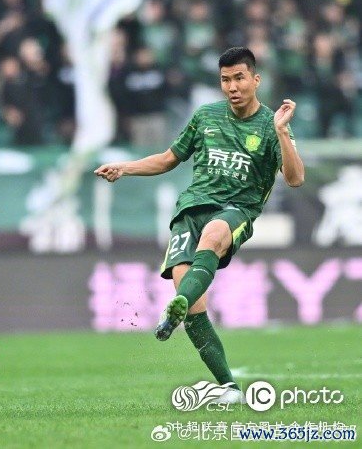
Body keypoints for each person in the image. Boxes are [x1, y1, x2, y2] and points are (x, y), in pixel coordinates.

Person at [94, 47, 305, 403]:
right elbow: (168, 159)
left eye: (239, 78)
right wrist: (124, 168)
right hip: (190, 209)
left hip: (237, 209)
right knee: (193, 306)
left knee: (214, 235)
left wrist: (282, 132)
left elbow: (296, 178)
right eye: (225, 80)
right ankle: (229, 388)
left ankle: (174, 308)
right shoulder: (206, 115)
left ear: (255, 80)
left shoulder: (272, 126)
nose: (232, 87)